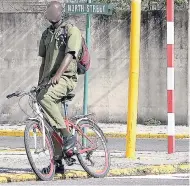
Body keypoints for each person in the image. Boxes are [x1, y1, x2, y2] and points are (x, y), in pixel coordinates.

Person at [37, 1, 82, 173]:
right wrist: (40, 82)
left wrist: (57, 75)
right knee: (50, 122)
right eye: (49, 11)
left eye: (54, 11)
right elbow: (43, 62)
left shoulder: (71, 30)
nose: (50, 14)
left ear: (61, 13)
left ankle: (68, 135)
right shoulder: (46, 34)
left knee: (45, 98)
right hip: (49, 81)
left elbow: (70, 54)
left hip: (66, 78)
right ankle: (58, 163)